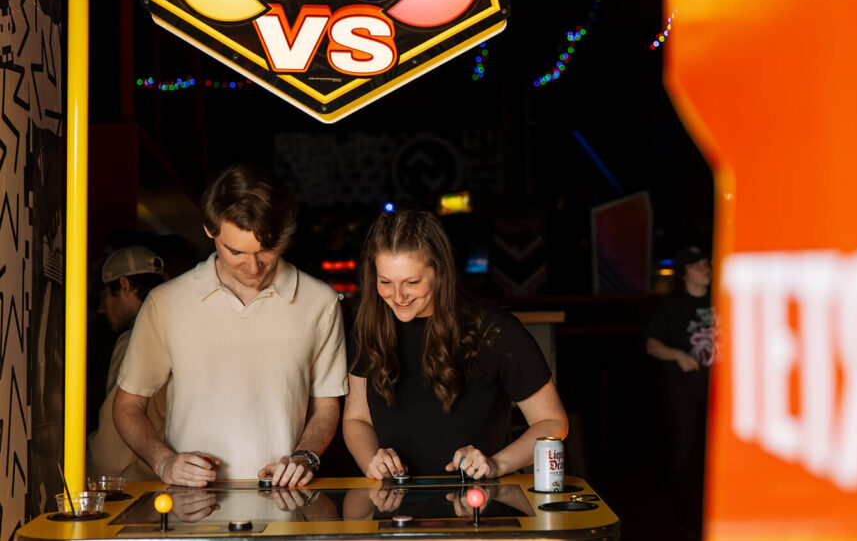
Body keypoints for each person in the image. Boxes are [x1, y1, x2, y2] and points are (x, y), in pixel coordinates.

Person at [113, 163, 348, 487]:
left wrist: (305, 456)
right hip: (191, 512)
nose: (253, 267)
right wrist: (164, 461)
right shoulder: (165, 302)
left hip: (284, 508)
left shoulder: (319, 301)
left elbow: (326, 404)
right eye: (235, 251)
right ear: (210, 230)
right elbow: (127, 405)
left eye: (266, 250)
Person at [342, 210, 568, 480]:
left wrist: (496, 464)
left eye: (412, 282)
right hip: (393, 507)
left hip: (479, 505)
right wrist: (372, 462)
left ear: (440, 272)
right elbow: (357, 419)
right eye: (385, 282)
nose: (398, 296)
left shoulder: (496, 330)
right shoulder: (367, 327)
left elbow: (553, 422)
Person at [644, 245, 718, 537]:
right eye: (699, 265)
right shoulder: (672, 305)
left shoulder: (720, 299)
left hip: (718, 388)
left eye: (707, 264)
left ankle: (713, 511)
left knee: (715, 452)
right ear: (685, 271)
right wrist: (677, 355)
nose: (706, 269)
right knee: (686, 451)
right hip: (683, 389)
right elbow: (651, 344)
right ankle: (683, 516)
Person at [87, 246, 167, 479]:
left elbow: (111, 449)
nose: (102, 309)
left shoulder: (134, 338)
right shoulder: (176, 329)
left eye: (105, 296)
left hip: (135, 486)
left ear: (124, 285)